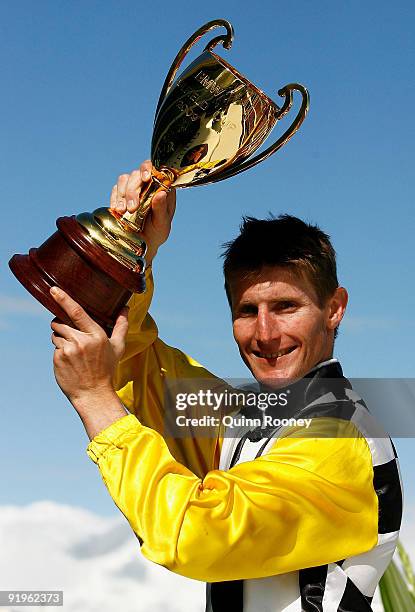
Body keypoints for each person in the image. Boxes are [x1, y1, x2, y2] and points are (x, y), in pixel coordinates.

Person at [49, 161, 403, 611]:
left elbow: (200, 535)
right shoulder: (252, 420)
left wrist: (94, 399)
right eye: (247, 310)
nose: (266, 333)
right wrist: (133, 246)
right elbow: (134, 364)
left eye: (286, 306)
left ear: (334, 309)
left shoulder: (337, 435)